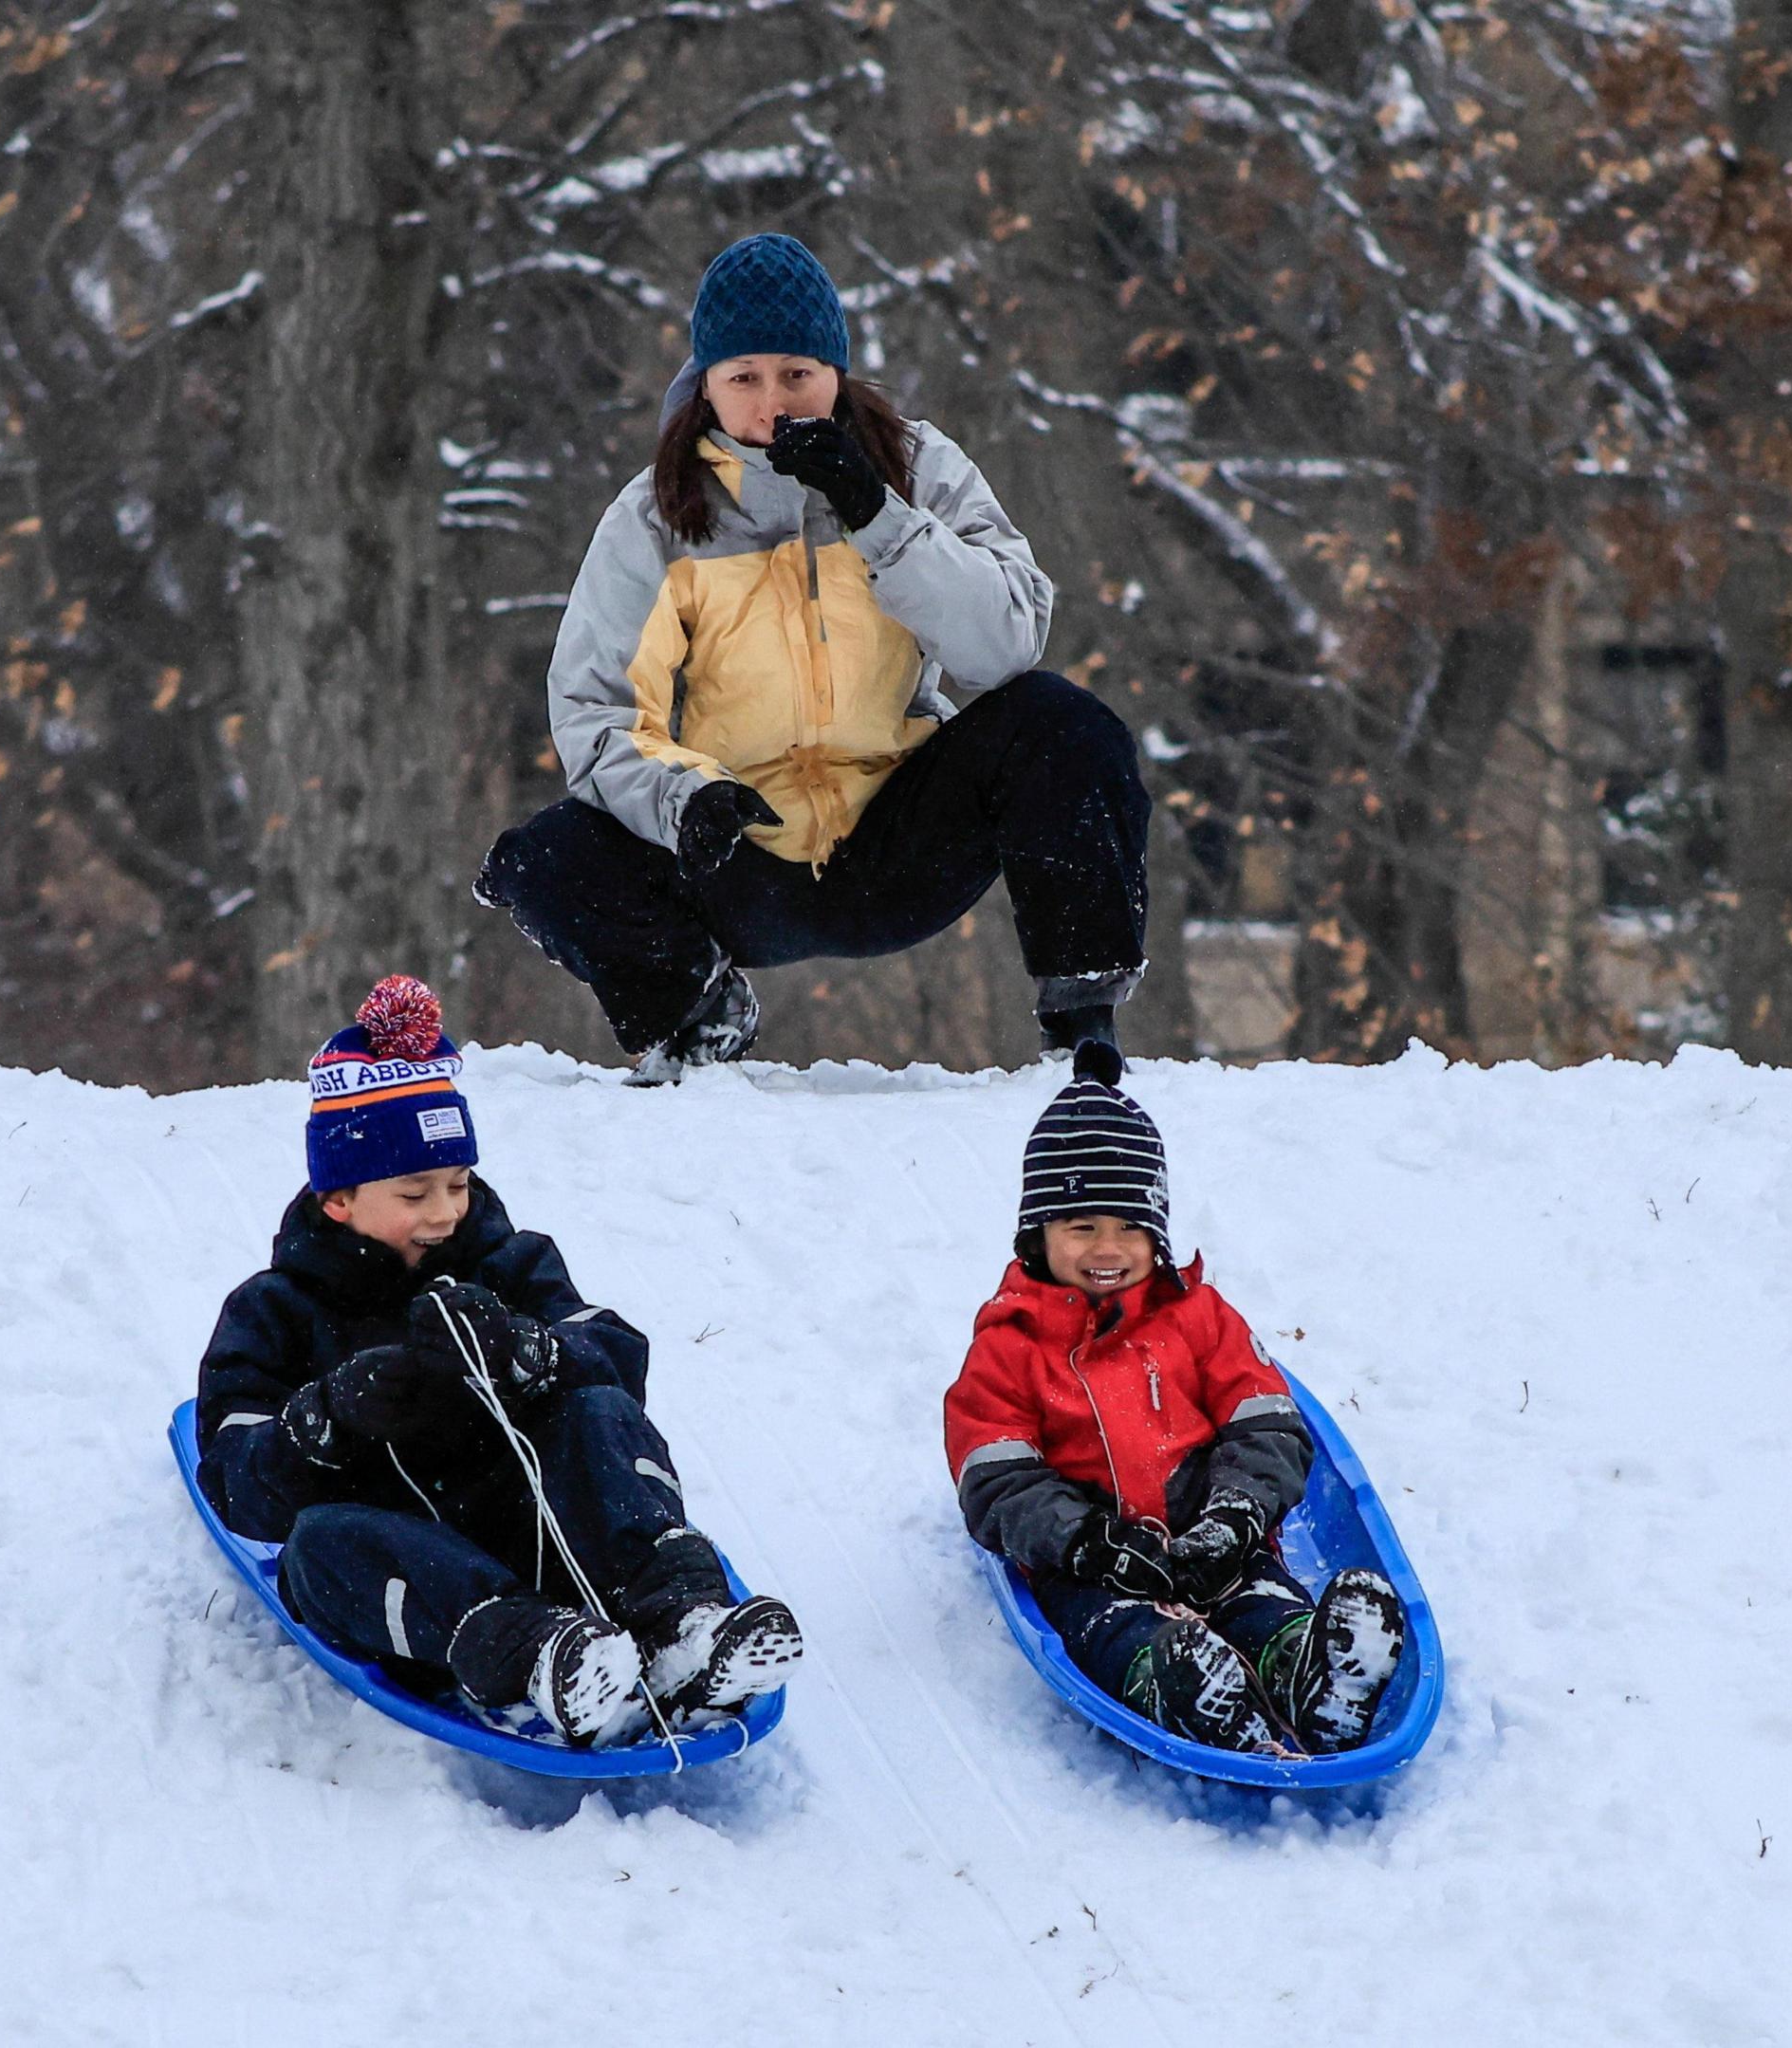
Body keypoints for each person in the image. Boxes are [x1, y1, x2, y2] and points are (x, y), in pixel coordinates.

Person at [475, 231, 1150, 1086]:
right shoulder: (655, 515)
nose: (772, 406)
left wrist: (876, 513)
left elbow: (1008, 640)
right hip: (740, 850)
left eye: (798, 374)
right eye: (744, 379)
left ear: (836, 371)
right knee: (546, 856)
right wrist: (687, 798)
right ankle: (695, 1010)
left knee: (1063, 723)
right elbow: (596, 714)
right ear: (706, 386)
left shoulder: (921, 467)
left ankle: (1083, 1025)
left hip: (899, 844)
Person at [194, 974, 803, 1745]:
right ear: (337, 1198)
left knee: (600, 1412)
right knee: (317, 1546)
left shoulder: (508, 1261)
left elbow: (617, 1355)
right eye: (415, 1194)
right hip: (422, 1563)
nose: (446, 1211)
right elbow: (233, 1477)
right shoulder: (273, 1310)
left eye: (458, 1183)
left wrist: (532, 1352)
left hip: (538, 1520)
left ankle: (686, 1625)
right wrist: (327, 1416)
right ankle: (541, 1659)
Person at [939, 1077, 1406, 1754]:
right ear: (1039, 1232)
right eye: (1083, 1227)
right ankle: (1183, 1687)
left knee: (1263, 1599)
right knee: (1117, 1629)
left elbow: (1267, 1422)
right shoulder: (1008, 1348)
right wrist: (1089, 1542)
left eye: (1131, 1226)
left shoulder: (1199, 1318)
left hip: (1217, 1543)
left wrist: (1235, 1515)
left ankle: (1310, 1673)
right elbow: (998, 1481)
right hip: (1094, 1567)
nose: (1109, 1248)